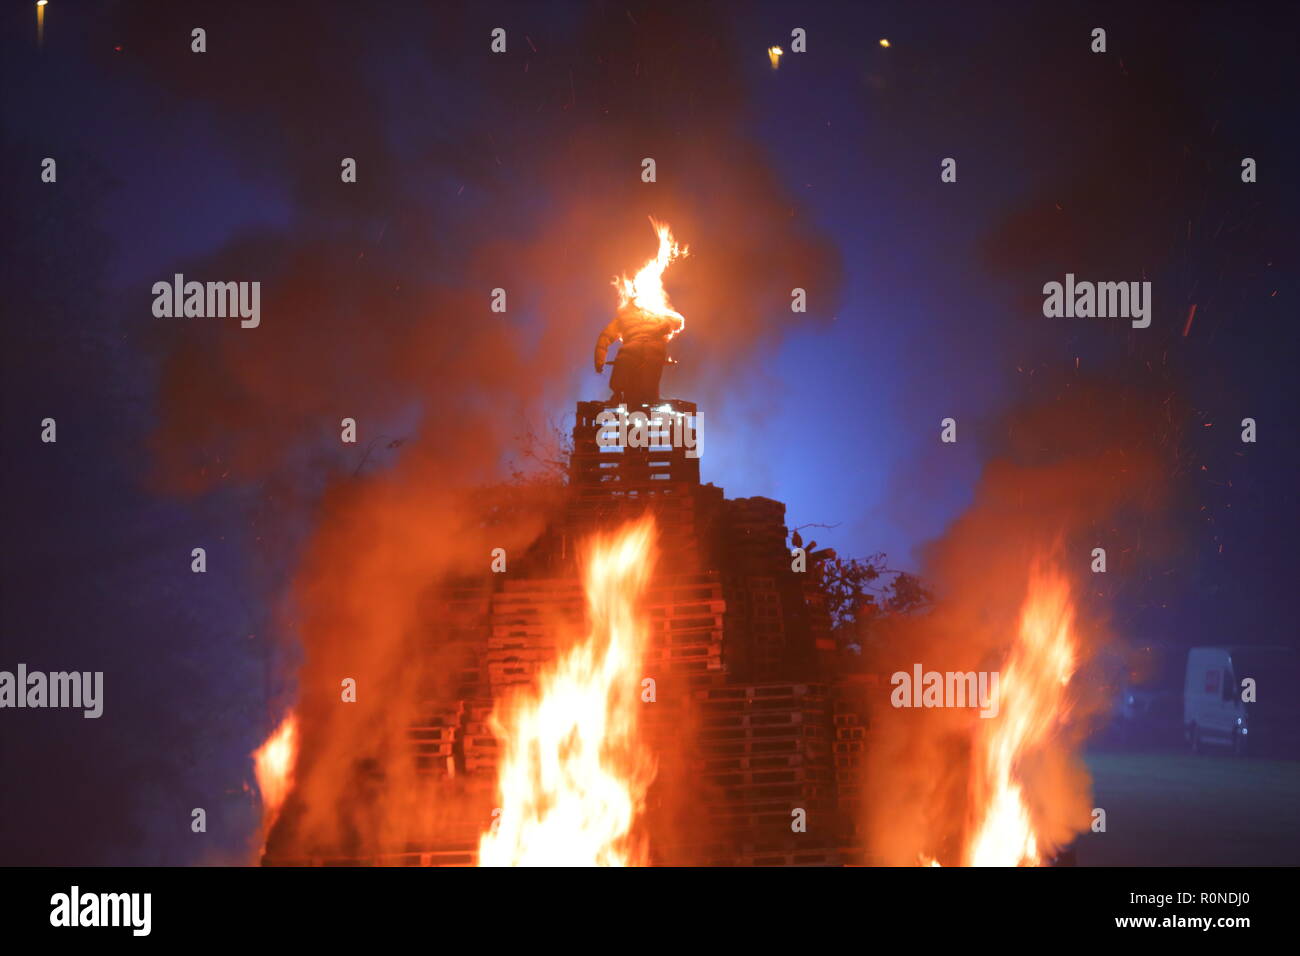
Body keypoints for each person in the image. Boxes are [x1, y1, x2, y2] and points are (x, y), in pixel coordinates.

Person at [593, 302, 682, 406]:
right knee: (650, 376)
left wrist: (599, 362)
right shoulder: (660, 315)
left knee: (623, 365)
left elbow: (605, 338)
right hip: (654, 347)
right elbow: (677, 323)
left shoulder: (623, 319)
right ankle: (650, 398)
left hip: (631, 347)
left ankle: (618, 395)